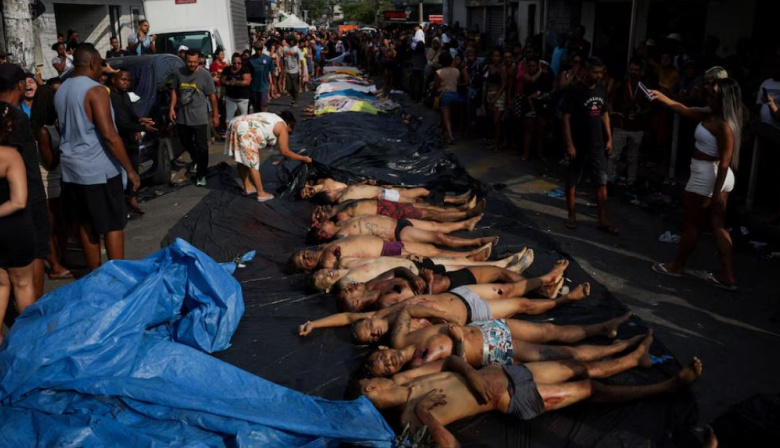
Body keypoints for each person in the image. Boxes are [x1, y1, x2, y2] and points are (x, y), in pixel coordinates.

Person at [361, 354, 702, 447]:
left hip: (505, 373)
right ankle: (668, 387)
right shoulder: (410, 418)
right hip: (511, 396)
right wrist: (427, 415)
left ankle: (633, 360)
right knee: (591, 390)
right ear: (372, 393)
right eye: (368, 382)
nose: (373, 379)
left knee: (575, 366)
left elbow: (451, 361)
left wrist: (471, 372)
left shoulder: (410, 381)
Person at [54, 44, 140, 272]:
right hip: (98, 170)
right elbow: (110, 135)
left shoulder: (61, 89)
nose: (103, 70)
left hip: (71, 170)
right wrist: (130, 170)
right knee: (113, 224)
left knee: (85, 224)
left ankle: (95, 275)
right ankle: (117, 275)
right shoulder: (97, 91)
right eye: (101, 64)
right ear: (92, 63)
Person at [650, 78, 742, 290]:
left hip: (709, 177)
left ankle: (677, 266)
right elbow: (683, 109)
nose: (707, 97)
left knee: (692, 223)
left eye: (712, 95)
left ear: (723, 100)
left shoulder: (723, 125)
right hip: (714, 177)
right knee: (716, 224)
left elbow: (726, 163)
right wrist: (661, 96)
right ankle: (727, 276)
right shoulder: (712, 114)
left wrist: (717, 193)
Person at [0, 64, 51, 298]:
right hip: (26, 198)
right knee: (35, 257)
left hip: (5, 200)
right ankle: (33, 314)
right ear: (20, 85)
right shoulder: (15, 118)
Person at [562, 57, 617, 235]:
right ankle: (571, 214)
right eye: (595, 72)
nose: (598, 75)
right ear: (586, 71)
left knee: (601, 181)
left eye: (601, 72)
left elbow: (604, 113)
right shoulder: (574, 90)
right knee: (572, 181)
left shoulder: (601, 89)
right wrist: (570, 144)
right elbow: (566, 118)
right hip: (578, 144)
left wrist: (609, 137)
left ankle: (602, 219)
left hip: (597, 145)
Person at [0, 104, 37, 342]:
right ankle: (29, 344)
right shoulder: (10, 155)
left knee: (1, 285)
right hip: (14, 228)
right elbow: (19, 201)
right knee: (23, 284)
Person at [30, 85, 71, 280]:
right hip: (48, 182)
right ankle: (54, 265)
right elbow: (49, 160)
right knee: (51, 226)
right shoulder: (43, 131)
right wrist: (66, 147)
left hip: (58, 179)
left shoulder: (54, 124)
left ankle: (61, 260)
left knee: (60, 224)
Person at [225, 111, 310, 201]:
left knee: (242, 158)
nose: (289, 133)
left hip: (235, 122)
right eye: (290, 130)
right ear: (288, 125)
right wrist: (303, 158)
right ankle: (261, 193)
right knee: (253, 163)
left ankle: (248, 187)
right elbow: (285, 151)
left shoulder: (272, 117)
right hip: (246, 130)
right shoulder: (282, 127)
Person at [289, 235, 494, 273]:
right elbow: (360, 263)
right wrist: (398, 259)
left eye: (302, 254)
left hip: (385, 244)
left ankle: (469, 253)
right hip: (385, 252)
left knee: (432, 249)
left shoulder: (322, 247)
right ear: (307, 270)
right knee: (431, 256)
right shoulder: (326, 264)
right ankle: (469, 258)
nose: (306, 257)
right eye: (303, 262)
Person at [109, 69, 158, 214]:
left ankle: (133, 198)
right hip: (119, 139)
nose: (126, 83)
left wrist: (138, 120)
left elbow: (130, 113)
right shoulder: (112, 98)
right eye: (123, 79)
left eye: (128, 80)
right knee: (121, 173)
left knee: (134, 168)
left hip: (130, 138)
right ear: (114, 80)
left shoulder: (125, 95)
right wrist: (142, 127)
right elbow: (122, 123)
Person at [169, 49, 218, 187]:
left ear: (198, 61)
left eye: (194, 62)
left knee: (202, 147)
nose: (192, 64)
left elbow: (212, 96)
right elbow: (174, 90)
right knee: (186, 143)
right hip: (183, 117)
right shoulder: (179, 73)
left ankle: (201, 174)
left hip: (200, 118)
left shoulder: (205, 75)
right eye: (189, 62)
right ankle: (196, 160)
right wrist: (172, 107)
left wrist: (215, 115)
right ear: (185, 60)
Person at [309, 214, 495, 250]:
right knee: (438, 237)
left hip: (397, 222)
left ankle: (465, 224)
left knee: (435, 224)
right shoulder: (342, 236)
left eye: (320, 230)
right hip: (398, 234)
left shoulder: (341, 219)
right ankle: (475, 242)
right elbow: (331, 247)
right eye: (320, 236)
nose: (322, 233)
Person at [607, 57, 651, 186]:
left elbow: (650, 106)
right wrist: (612, 113)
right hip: (621, 125)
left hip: (637, 127)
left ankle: (631, 181)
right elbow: (610, 102)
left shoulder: (644, 87)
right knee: (614, 155)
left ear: (641, 70)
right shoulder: (621, 85)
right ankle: (609, 179)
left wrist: (640, 111)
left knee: (633, 157)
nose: (634, 72)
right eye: (631, 69)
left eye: (636, 70)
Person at [312, 197, 486, 226]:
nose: (323, 210)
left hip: (385, 204)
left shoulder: (341, 204)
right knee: (430, 215)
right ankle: (465, 215)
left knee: (426, 207)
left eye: (320, 209)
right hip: (389, 212)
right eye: (321, 214)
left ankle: (461, 208)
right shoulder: (342, 215)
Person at [521, 57, 554, 161]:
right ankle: (526, 154)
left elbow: (549, 87)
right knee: (528, 130)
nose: (531, 68)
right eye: (529, 66)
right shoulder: (525, 76)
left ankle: (540, 153)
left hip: (540, 105)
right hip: (528, 105)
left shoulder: (544, 76)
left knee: (540, 131)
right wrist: (540, 70)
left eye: (533, 66)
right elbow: (531, 80)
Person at [435, 52, 464, 145]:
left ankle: (450, 136)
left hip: (445, 95)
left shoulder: (439, 72)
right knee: (451, 116)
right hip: (455, 95)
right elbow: (458, 83)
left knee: (446, 117)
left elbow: (436, 86)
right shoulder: (456, 71)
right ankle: (445, 133)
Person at [484, 50, 507, 152]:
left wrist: (496, 97)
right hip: (490, 94)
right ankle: (494, 142)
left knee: (496, 121)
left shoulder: (502, 68)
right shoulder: (490, 67)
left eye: (497, 56)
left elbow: (503, 84)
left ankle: (497, 143)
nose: (495, 58)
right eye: (493, 56)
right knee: (492, 120)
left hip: (499, 96)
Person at [222, 53, 251, 120]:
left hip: (242, 98)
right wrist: (227, 82)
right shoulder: (227, 69)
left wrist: (235, 83)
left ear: (241, 62)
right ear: (232, 62)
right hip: (230, 97)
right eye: (234, 63)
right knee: (229, 118)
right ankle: (229, 130)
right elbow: (222, 80)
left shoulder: (244, 69)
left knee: (243, 118)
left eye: (238, 63)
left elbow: (247, 82)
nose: (236, 65)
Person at [283, 37, 304, 106]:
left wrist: (302, 72)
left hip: (295, 71)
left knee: (295, 87)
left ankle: (296, 100)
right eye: (290, 41)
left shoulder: (297, 49)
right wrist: (283, 68)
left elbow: (301, 61)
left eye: (293, 41)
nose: (291, 42)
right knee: (289, 88)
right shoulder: (285, 49)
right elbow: (282, 59)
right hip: (287, 70)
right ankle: (293, 98)